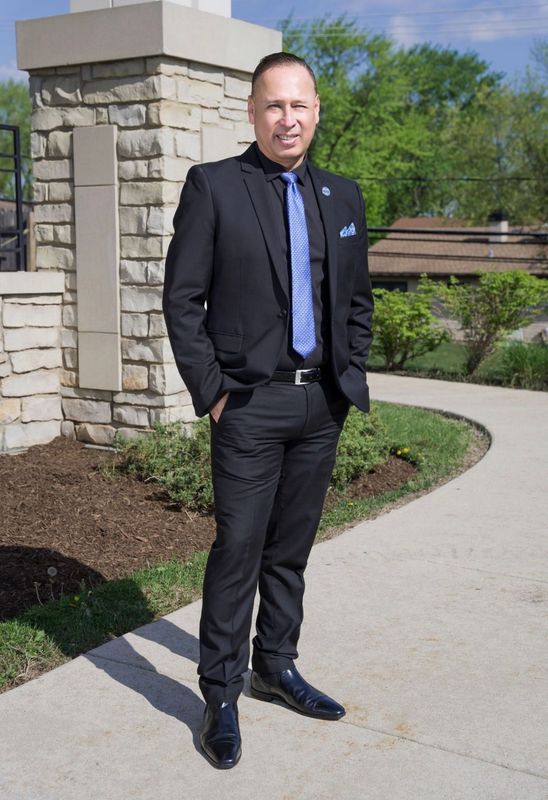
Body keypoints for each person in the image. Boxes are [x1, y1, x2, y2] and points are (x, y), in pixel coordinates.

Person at [163, 51, 373, 769]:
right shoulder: (215, 187)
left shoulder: (343, 198)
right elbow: (181, 300)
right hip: (249, 404)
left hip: (322, 404)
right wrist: (216, 393)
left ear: (317, 111)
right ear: (252, 113)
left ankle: (275, 667)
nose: (288, 118)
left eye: (300, 105)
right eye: (274, 106)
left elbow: (357, 300)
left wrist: (350, 372)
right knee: (238, 551)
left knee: (291, 551)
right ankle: (220, 694)